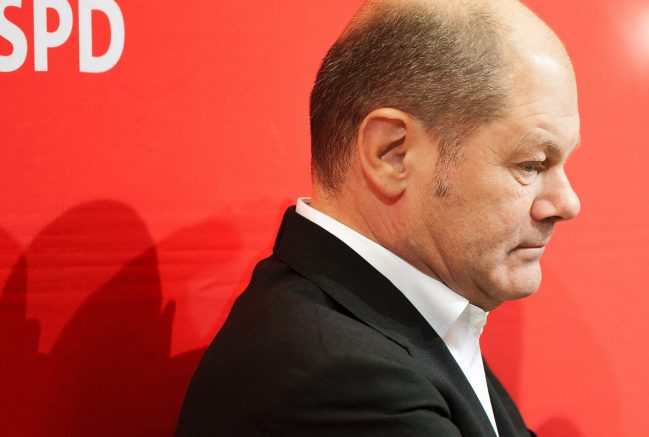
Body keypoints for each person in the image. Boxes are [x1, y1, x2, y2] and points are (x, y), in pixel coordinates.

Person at [177, 0, 580, 435]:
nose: (567, 203)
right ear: (392, 154)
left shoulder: (410, 321)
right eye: (531, 164)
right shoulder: (339, 377)